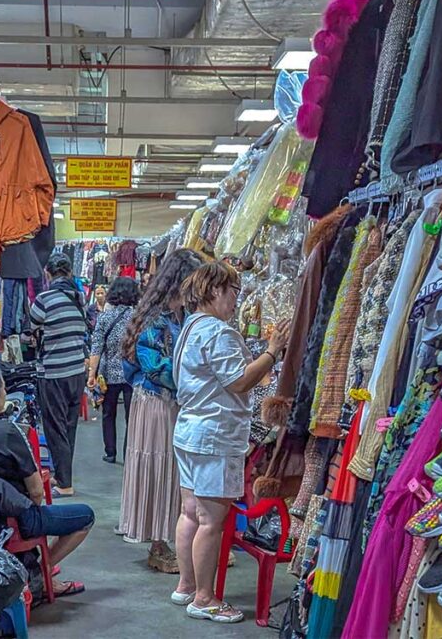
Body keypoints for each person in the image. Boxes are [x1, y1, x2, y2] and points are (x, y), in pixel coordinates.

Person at [170, 262, 289, 623]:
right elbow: (238, 381)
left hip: (192, 430)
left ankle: (187, 585)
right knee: (211, 519)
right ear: (215, 290)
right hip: (214, 436)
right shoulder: (219, 333)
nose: (237, 299)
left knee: (190, 512)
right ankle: (204, 597)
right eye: (234, 291)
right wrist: (272, 352)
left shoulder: (190, 327)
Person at [0, 361, 94, 597]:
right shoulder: (8, 433)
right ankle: (41, 572)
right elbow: (36, 492)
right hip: (12, 519)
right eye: (3, 389)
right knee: (85, 516)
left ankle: (36, 568)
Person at [119, 248, 203, 573]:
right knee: (160, 467)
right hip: (156, 402)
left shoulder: (177, 315)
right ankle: (159, 543)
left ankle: (171, 537)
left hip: (169, 401)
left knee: (171, 469)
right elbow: (155, 367)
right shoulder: (158, 319)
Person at [30, 253, 88, 498]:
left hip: (53, 372)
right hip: (77, 371)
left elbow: (30, 329)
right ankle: (64, 476)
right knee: (69, 426)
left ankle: (64, 482)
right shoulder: (80, 298)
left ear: (48, 274)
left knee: (55, 427)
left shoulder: (44, 299)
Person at [86, 277, 139, 464]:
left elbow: (96, 348)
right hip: (132, 372)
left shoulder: (104, 317)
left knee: (108, 413)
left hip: (107, 373)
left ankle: (110, 452)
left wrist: (91, 375)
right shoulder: (138, 316)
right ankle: (129, 453)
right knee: (131, 416)